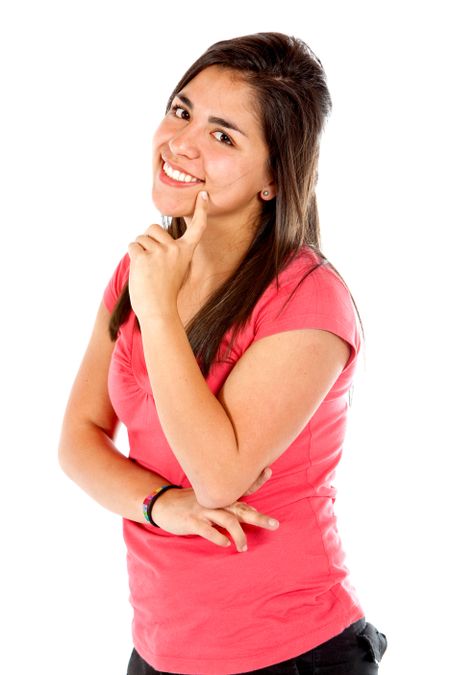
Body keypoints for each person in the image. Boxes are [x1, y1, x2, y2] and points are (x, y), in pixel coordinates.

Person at [58, 31, 388, 675]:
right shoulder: (141, 270)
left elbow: (219, 475)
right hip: (161, 650)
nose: (181, 143)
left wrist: (157, 310)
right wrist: (161, 504)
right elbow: (78, 437)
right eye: (182, 112)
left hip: (291, 653)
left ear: (274, 178)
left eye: (224, 135)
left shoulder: (307, 301)